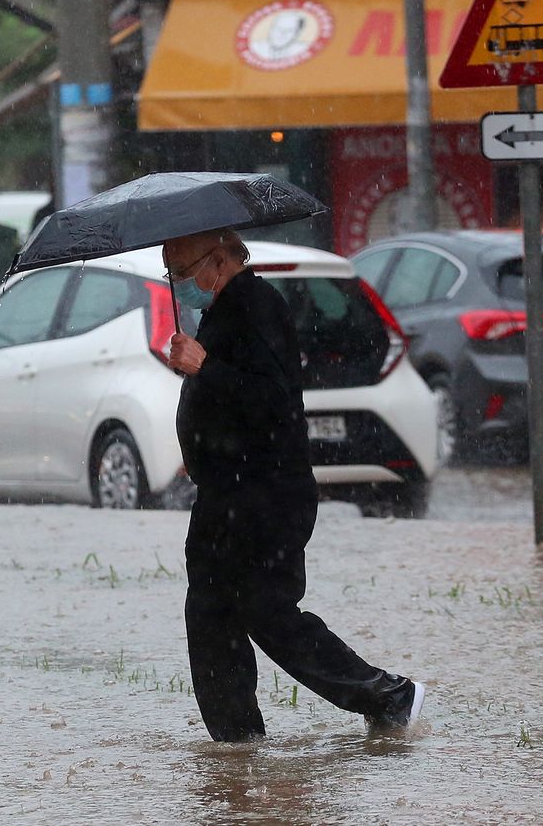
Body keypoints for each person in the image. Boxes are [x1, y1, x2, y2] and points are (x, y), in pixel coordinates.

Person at [164, 227, 424, 742]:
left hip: (263, 496)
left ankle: (388, 696)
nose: (177, 281)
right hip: (226, 496)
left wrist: (204, 367)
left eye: (182, 269)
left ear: (217, 260)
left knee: (267, 611)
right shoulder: (221, 312)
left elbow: (272, 402)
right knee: (211, 616)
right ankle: (236, 745)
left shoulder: (258, 306)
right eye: (170, 271)